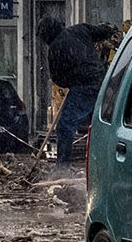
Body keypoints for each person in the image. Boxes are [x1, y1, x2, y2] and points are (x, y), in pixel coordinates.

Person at [38, 17, 118, 163]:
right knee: (100, 123)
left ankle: (62, 166)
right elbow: (101, 32)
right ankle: (103, 161)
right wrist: (109, 30)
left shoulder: (55, 48)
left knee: (65, 125)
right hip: (103, 82)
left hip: (83, 87)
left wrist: (71, 82)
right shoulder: (80, 30)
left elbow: (58, 79)